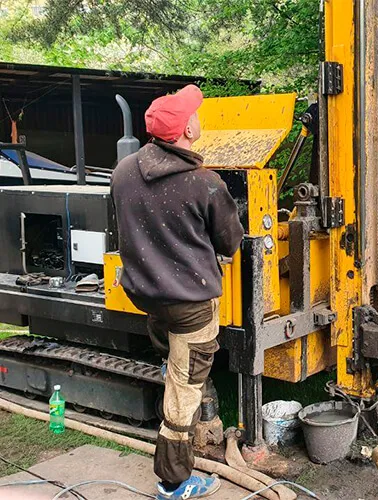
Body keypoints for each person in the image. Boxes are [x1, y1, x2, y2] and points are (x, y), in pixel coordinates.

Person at [111, 85, 244, 500]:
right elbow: (230, 244)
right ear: (188, 129)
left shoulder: (123, 171)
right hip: (189, 304)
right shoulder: (204, 184)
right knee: (184, 390)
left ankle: (179, 426)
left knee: (175, 367)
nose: (200, 119)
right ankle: (174, 480)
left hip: (147, 298)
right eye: (197, 115)